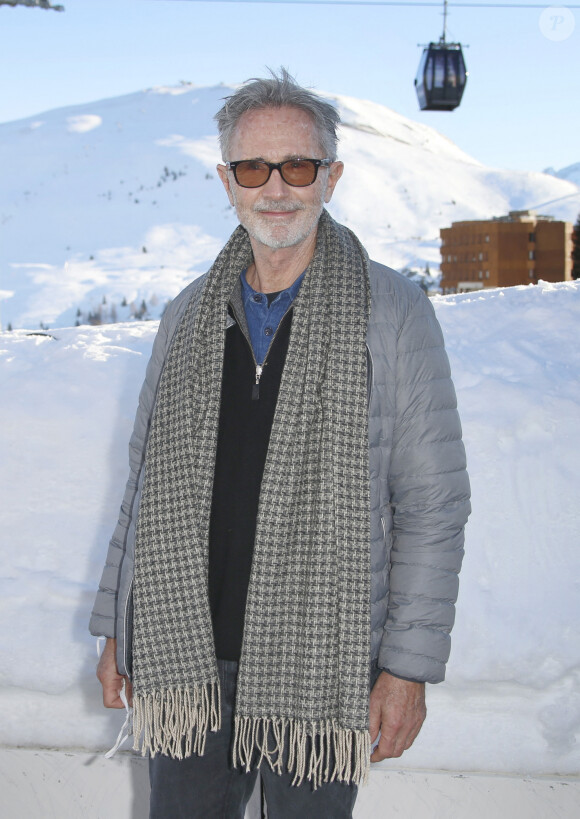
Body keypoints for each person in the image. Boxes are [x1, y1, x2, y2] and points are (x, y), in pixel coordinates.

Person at [90, 68, 470, 818]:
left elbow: (433, 503)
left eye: (297, 166)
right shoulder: (186, 315)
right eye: (253, 168)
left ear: (331, 176)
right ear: (227, 180)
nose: (276, 188)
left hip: (325, 669)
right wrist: (118, 629)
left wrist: (406, 668)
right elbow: (143, 488)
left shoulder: (391, 312)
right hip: (185, 659)